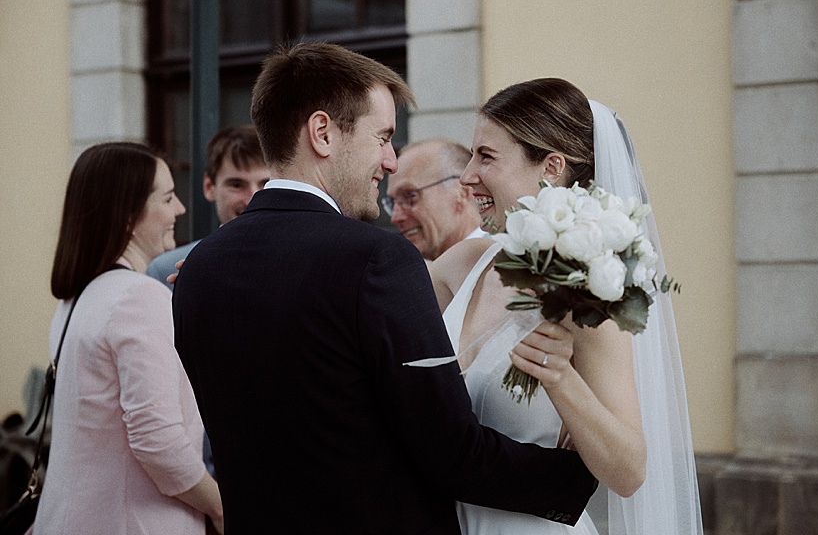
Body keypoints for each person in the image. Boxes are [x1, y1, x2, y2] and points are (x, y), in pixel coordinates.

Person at [172, 43, 599, 534]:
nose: (391, 160)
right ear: (323, 134)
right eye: (383, 137)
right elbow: (450, 451)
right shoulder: (376, 259)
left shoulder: (199, 268)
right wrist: (580, 478)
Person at [429, 78, 703, 534]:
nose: (467, 175)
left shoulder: (586, 299)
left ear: (550, 167)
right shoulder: (464, 264)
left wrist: (561, 378)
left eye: (487, 156)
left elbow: (629, 470)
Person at [32, 143, 223, 534]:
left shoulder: (76, 299)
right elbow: (158, 442)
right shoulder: (139, 297)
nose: (179, 210)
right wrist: (221, 508)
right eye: (168, 198)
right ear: (127, 216)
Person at [147, 124, 269, 286]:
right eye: (237, 185)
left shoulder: (306, 261)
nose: (252, 199)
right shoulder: (166, 270)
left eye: (266, 184)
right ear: (209, 187)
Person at [384, 139, 486, 260]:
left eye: (409, 196)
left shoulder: (500, 265)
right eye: (392, 202)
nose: (395, 218)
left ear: (461, 194)